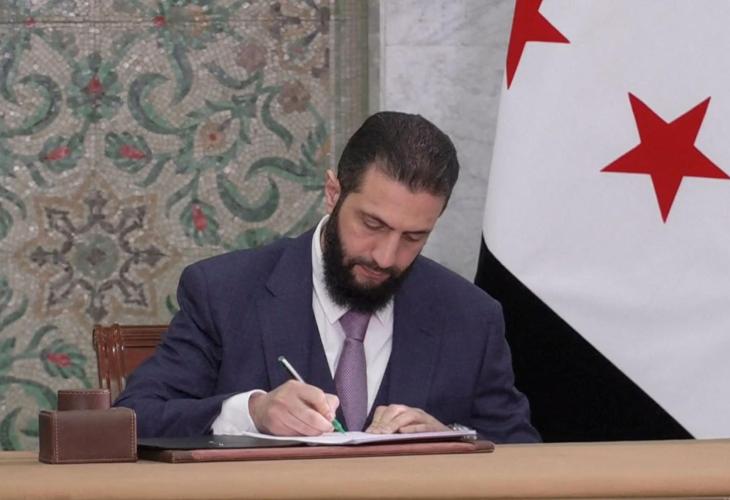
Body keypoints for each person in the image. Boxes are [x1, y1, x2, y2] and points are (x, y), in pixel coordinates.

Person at [115, 111, 540, 443]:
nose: (386, 256)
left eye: (413, 237)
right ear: (333, 193)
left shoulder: (471, 316)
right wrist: (252, 413)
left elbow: (522, 453)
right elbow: (133, 418)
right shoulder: (224, 292)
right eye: (372, 224)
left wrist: (450, 440)